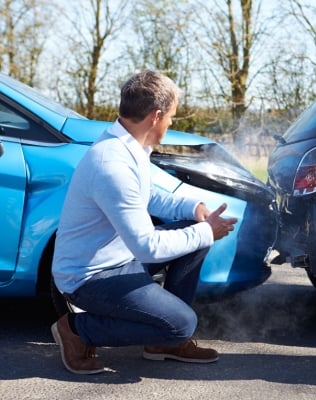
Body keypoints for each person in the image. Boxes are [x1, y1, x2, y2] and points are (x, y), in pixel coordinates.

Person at [51, 70, 237, 374]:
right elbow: (148, 247)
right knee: (182, 323)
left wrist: (195, 209)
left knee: (193, 238)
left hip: (120, 258)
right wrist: (205, 232)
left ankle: (162, 340)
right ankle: (77, 329)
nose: (171, 123)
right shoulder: (112, 163)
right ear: (156, 116)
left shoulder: (127, 146)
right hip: (90, 277)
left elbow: (149, 196)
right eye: (172, 117)